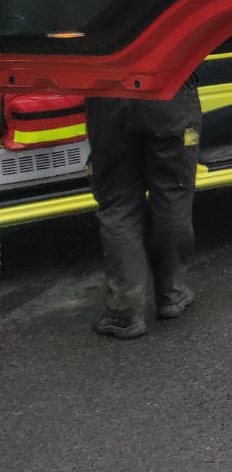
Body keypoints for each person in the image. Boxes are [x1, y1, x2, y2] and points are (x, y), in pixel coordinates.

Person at [85, 78, 202, 339]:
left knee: (119, 204)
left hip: (108, 96)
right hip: (168, 91)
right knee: (173, 195)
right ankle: (172, 293)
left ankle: (123, 312)